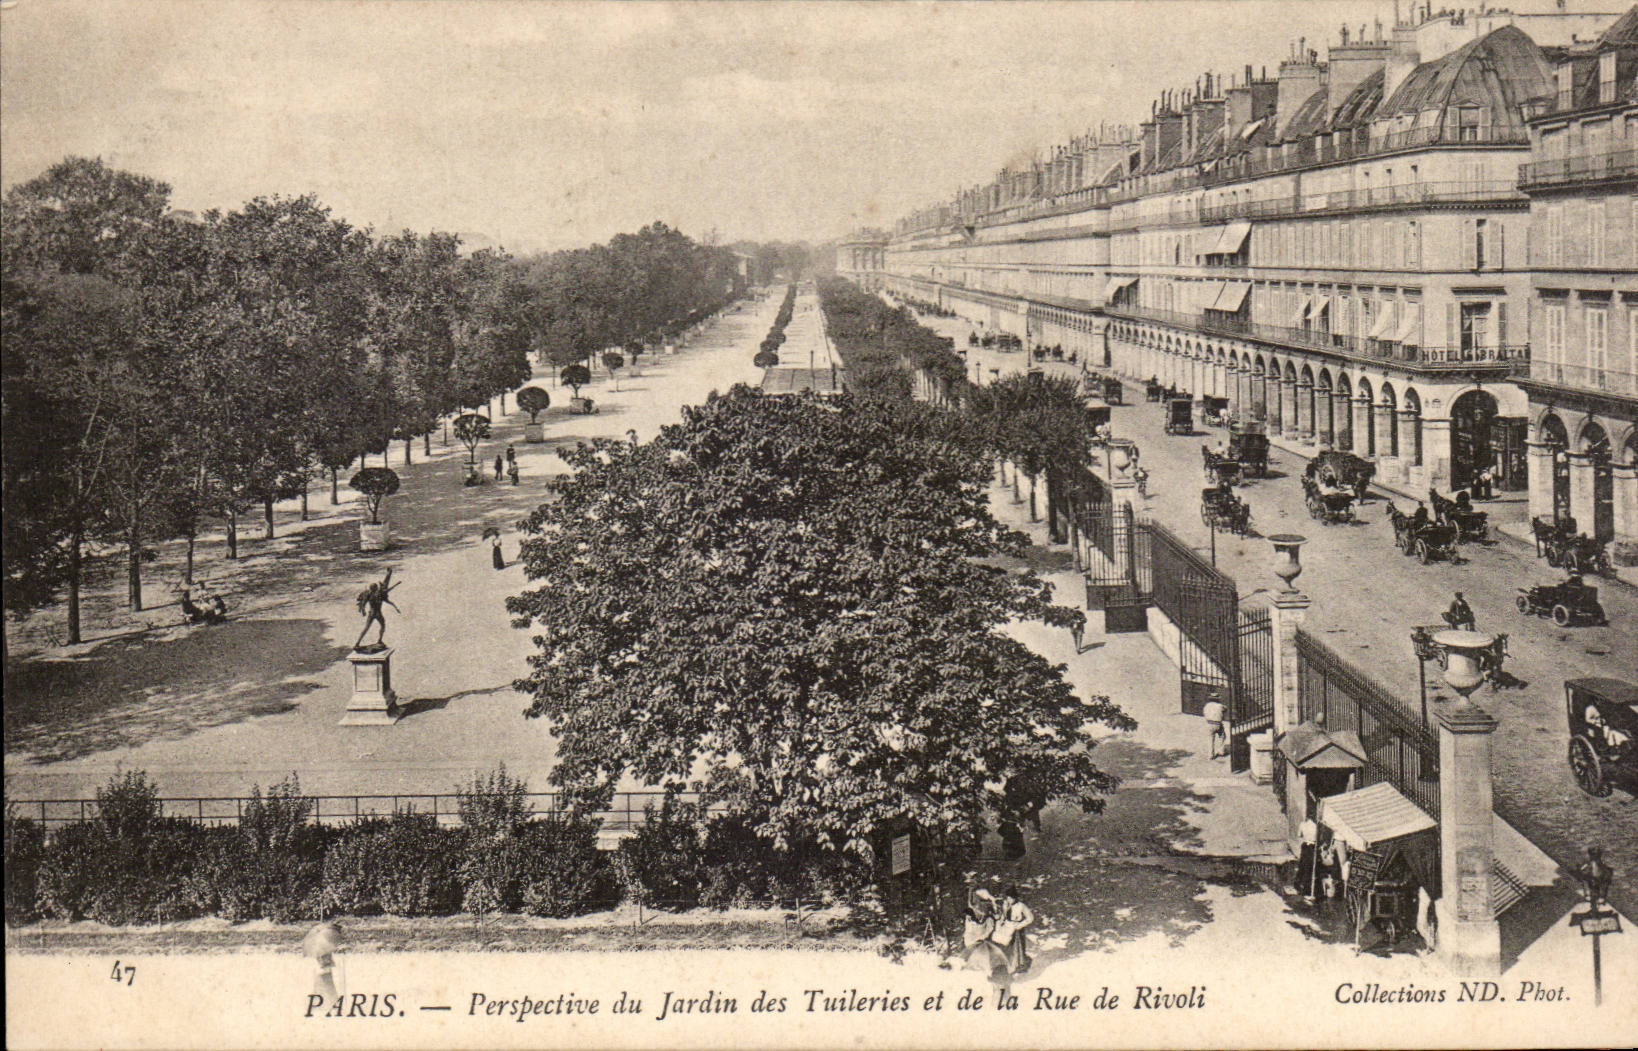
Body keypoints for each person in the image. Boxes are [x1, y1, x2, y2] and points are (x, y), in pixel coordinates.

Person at [991, 887, 1035, 977]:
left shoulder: (1021, 906)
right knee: (1005, 946)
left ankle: (1017, 966)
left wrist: (1019, 925)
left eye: (1011, 898)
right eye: (1008, 898)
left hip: (1017, 929)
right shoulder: (1005, 905)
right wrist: (999, 920)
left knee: (1016, 948)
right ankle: (1006, 965)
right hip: (1007, 927)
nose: (1009, 900)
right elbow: (1003, 916)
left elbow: (1030, 918)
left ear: (1015, 898)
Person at [1202, 692, 1227, 759]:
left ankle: (1210, 755)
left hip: (1209, 723)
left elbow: (1204, 712)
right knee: (1222, 736)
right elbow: (1225, 709)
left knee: (1210, 739)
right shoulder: (1220, 706)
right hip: (1218, 724)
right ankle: (1221, 751)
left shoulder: (1207, 705)